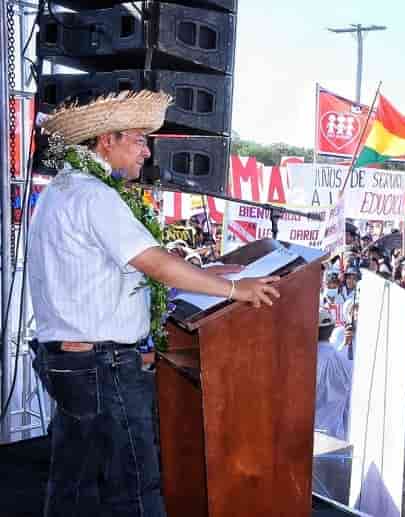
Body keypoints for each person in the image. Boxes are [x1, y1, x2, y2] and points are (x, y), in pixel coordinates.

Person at [29, 91, 280, 516]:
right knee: (135, 486)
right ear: (107, 140)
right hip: (103, 366)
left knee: (72, 481)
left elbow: (121, 269)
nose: (148, 150)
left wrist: (212, 275)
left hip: (73, 361)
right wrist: (239, 291)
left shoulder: (64, 190)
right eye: (140, 140)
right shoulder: (95, 196)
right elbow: (155, 265)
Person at [314, 309, 353, 440]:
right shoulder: (345, 362)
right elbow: (348, 404)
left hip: (312, 435)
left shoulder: (308, 361)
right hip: (336, 435)